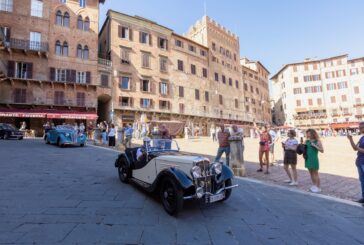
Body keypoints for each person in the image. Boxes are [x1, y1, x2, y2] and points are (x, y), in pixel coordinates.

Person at [347, 122, 364, 203]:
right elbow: (354, 148)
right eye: (359, 127)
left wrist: (359, 149)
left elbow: (358, 148)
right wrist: (350, 139)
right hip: (360, 162)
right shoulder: (362, 138)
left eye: (361, 128)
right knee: (362, 180)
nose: (359, 129)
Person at [305, 129, 324, 193]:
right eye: (307, 133)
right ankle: (314, 185)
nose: (307, 134)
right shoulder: (307, 141)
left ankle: (318, 187)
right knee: (311, 173)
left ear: (313, 133)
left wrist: (315, 146)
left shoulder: (317, 141)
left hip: (314, 158)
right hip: (307, 158)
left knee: (315, 173)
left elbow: (322, 150)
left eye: (309, 133)